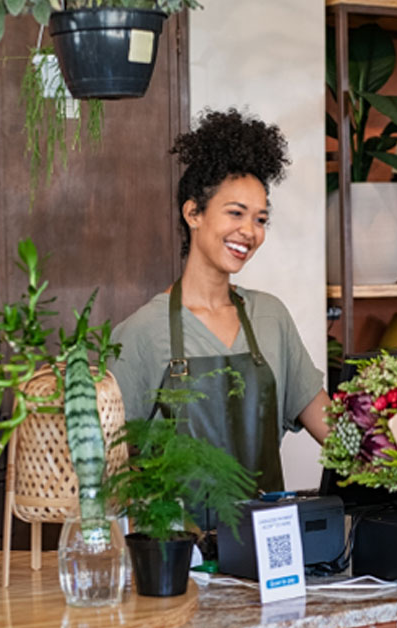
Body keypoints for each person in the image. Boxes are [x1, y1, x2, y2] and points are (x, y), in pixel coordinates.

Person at [110, 109, 329, 499]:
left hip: (266, 542)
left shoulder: (270, 318)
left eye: (260, 219)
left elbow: (330, 426)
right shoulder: (142, 333)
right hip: (178, 551)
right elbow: (110, 466)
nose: (249, 231)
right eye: (236, 213)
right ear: (193, 213)